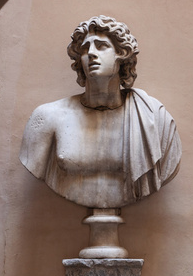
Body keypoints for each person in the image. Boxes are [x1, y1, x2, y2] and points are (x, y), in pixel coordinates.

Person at [20, 15, 181, 208]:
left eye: (101, 46)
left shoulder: (155, 118)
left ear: (122, 55)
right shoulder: (48, 117)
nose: (91, 54)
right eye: (85, 49)